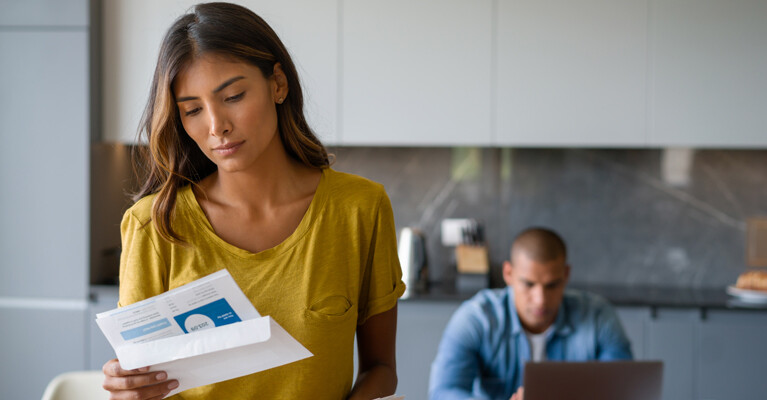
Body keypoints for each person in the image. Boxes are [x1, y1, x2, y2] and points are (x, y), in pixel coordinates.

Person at [101, 3, 405, 399]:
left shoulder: (360, 209)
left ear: (278, 84)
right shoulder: (154, 225)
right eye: (192, 110)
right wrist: (126, 388)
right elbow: (143, 384)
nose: (216, 127)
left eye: (233, 96)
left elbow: (382, 369)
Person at [429, 227, 632, 400]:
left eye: (552, 285)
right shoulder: (476, 318)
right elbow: (443, 392)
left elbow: (623, 390)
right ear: (508, 273)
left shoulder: (598, 316)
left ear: (566, 275)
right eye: (529, 284)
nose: (540, 299)